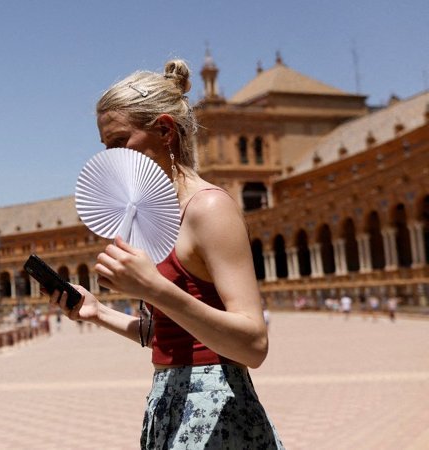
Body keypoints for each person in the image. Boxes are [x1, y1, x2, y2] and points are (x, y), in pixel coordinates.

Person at [49, 60, 283, 449]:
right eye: (106, 147)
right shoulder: (153, 214)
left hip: (215, 407)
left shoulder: (208, 208)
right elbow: (169, 334)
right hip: (166, 402)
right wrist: (97, 312)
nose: (111, 157)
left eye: (120, 142)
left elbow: (253, 345)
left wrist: (153, 288)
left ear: (164, 130)